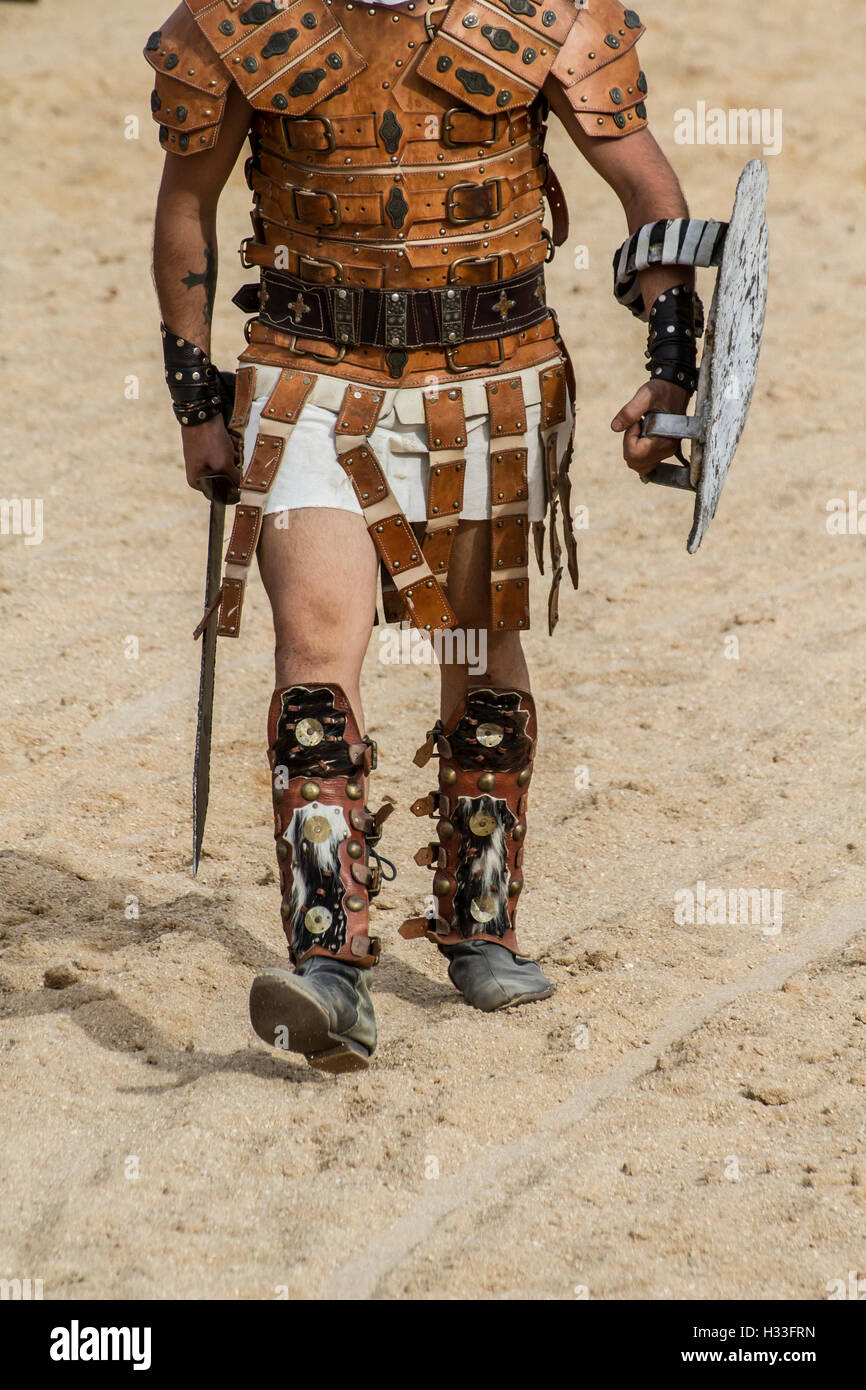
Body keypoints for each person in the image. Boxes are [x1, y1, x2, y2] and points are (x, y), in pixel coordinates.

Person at [147, 0, 699, 1072]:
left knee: (475, 648)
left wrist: (670, 368)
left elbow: (646, 190)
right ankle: (329, 964)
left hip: (491, 376)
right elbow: (186, 206)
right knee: (313, 655)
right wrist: (194, 398)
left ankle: (477, 920)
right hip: (305, 369)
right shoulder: (234, 21)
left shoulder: (537, 14)